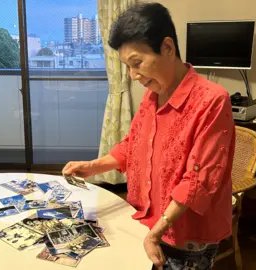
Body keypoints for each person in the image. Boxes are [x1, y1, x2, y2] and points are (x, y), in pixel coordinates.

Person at [62, 3, 235, 270]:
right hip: (148, 221)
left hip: (186, 236)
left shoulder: (211, 100)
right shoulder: (152, 97)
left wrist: (156, 233)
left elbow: (199, 179)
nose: (133, 76)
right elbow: (133, 144)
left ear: (167, 47)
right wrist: (93, 166)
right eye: (127, 67)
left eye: (137, 63)